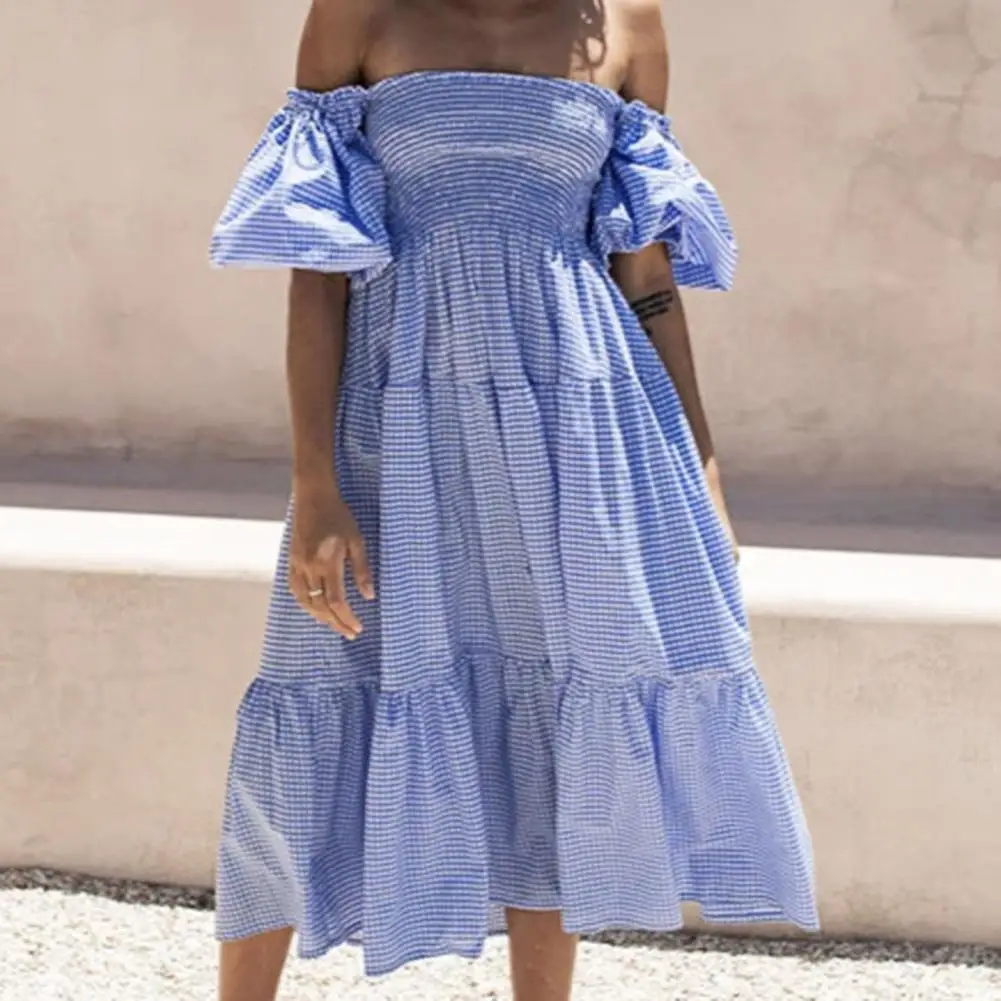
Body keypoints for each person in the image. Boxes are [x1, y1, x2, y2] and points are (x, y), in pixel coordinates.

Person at [208, 0, 819, 998]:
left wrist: (701, 463)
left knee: (555, 691)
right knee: (316, 675)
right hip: (394, 417)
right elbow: (316, 271)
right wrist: (313, 479)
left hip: (578, 419)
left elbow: (645, 272)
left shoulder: (630, 23)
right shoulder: (360, 11)